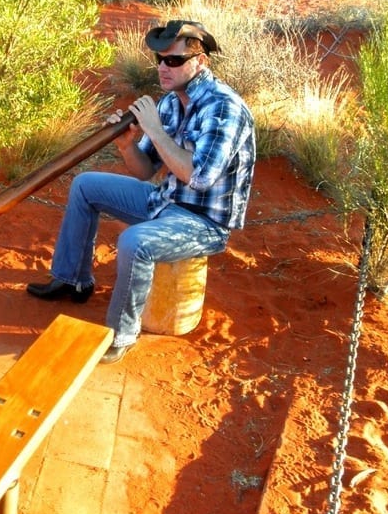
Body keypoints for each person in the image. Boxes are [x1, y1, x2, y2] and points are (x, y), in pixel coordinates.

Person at [26, 20, 256, 364]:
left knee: (135, 242)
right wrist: (126, 144)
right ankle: (72, 279)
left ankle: (122, 334)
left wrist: (153, 129)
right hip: (164, 201)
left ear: (200, 62)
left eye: (174, 61)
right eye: (159, 59)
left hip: (203, 223)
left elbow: (199, 176)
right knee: (85, 185)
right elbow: (146, 170)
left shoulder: (224, 108)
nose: (164, 67)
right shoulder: (168, 103)